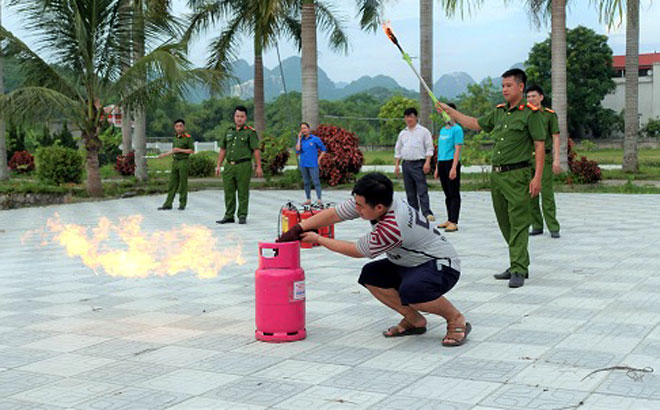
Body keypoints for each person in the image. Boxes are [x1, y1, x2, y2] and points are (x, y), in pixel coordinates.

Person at [277, 172, 470, 347]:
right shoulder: (381, 198)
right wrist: (299, 228)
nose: (356, 208)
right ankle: (414, 320)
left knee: (413, 290)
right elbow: (335, 213)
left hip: (442, 265)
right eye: (356, 203)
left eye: (360, 206)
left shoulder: (392, 227)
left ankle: (456, 319)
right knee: (371, 275)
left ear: (378, 207)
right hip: (409, 262)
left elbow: (357, 250)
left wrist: (319, 239)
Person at [435, 68, 545, 288]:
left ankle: (518, 268)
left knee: (519, 223)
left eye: (508, 85)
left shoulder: (531, 114)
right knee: (504, 222)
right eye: (502, 86)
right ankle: (518, 261)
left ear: (521, 87)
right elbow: (474, 123)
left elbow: (539, 145)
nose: (504, 89)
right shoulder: (499, 112)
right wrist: (451, 111)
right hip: (498, 176)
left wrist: (537, 177)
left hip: (518, 175)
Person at [215, 106, 263, 225]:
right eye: (237, 116)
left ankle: (242, 215)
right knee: (229, 192)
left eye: (242, 116)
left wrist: (259, 166)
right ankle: (229, 215)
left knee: (243, 192)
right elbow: (223, 149)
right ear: (234, 117)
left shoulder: (250, 132)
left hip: (243, 165)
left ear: (246, 117)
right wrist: (218, 165)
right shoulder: (228, 131)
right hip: (229, 166)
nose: (239, 119)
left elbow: (256, 150)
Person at [526, 85, 561, 238]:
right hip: (527, 158)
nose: (531, 99)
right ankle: (537, 225)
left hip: (544, 158)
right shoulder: (523, 114)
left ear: (541, 97)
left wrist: (557, 159)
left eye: (533, 96)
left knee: (546, 193)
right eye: (528, 97)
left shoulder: (549, 115)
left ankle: (553, 227)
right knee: (530, 193)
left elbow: (556, 137)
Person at [394, 107, 435, 221]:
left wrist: (427, 162)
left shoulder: (423, 131)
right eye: (406, 117)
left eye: (411, 116)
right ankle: (414, 213)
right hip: (406, 164)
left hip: (419, 164)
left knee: (422, 189)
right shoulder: (403, 133)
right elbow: (398, 150)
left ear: (416, 117)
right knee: (410, 191)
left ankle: (426, 212)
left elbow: (429, 148)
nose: (408, 119)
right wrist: (397, 165)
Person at [434, 102, 464, 232]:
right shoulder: (442, 130)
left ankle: (454, 221)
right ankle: (449, 219)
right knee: (447, 194)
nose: (444, 115)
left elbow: (457, 150)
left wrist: (454, 167)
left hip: (452, 162)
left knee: (454, 193)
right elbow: (440, 150)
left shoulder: (457, 129)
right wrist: (436, 167)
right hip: (442, 162)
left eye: (446, 112)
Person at [158, 119, 194, 211]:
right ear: (174, 127)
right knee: (172, 183)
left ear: (184, 127)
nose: (178, 128)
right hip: (175, 161)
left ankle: (182, 204)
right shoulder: (175, 137)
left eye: (180, 126)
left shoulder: (188, 137)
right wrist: (164, 155)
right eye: (177, 126)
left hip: (183, 161)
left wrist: (180, 150)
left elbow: (191, 150)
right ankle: (168, 203)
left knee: (183, 183)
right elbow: (174, 150)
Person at [296, 122, 326, 205]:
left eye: (305, 128)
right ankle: (308, 199)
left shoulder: (315, 139)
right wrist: (298, 138)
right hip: (303, 164)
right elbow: (297, 149)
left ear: (309, 129)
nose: (303, 130)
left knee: (316, 181)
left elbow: (323, 149)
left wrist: (319, 159)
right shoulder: (301, 140)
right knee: (306, 182)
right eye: (302, 128)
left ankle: (319, 199)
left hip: (313, 164)